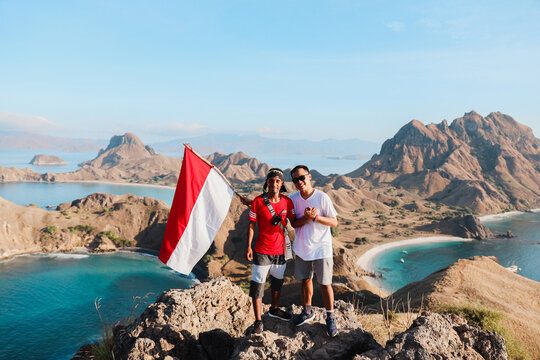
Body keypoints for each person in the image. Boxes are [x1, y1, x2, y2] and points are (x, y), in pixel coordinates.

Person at [289, 165, 339, 337]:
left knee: (325, 283)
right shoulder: (293, 199)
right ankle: (307, 311)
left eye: (302, 178)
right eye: (295, 180)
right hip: (303, 247)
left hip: (322, 247)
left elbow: (334, 222)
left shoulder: (322, 197)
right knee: (305, 280)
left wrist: (316, 217)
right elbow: (294, 223)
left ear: (309, 176)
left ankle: (331, 317)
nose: (299, 182)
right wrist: (306, 217)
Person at [245, 168, 295, 335]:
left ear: (282, 184)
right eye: (271, 180)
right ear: (267, 183)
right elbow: (252, 225)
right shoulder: (258, 201)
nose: (274, 183)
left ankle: (274, 309)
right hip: (261, 251)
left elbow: (296, 221)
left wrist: (312, 217)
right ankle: (258, 321)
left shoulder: (287, 202)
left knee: (277, 283)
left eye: (277, 181)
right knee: (257, 286)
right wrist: (248, 246)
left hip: (280, 251)